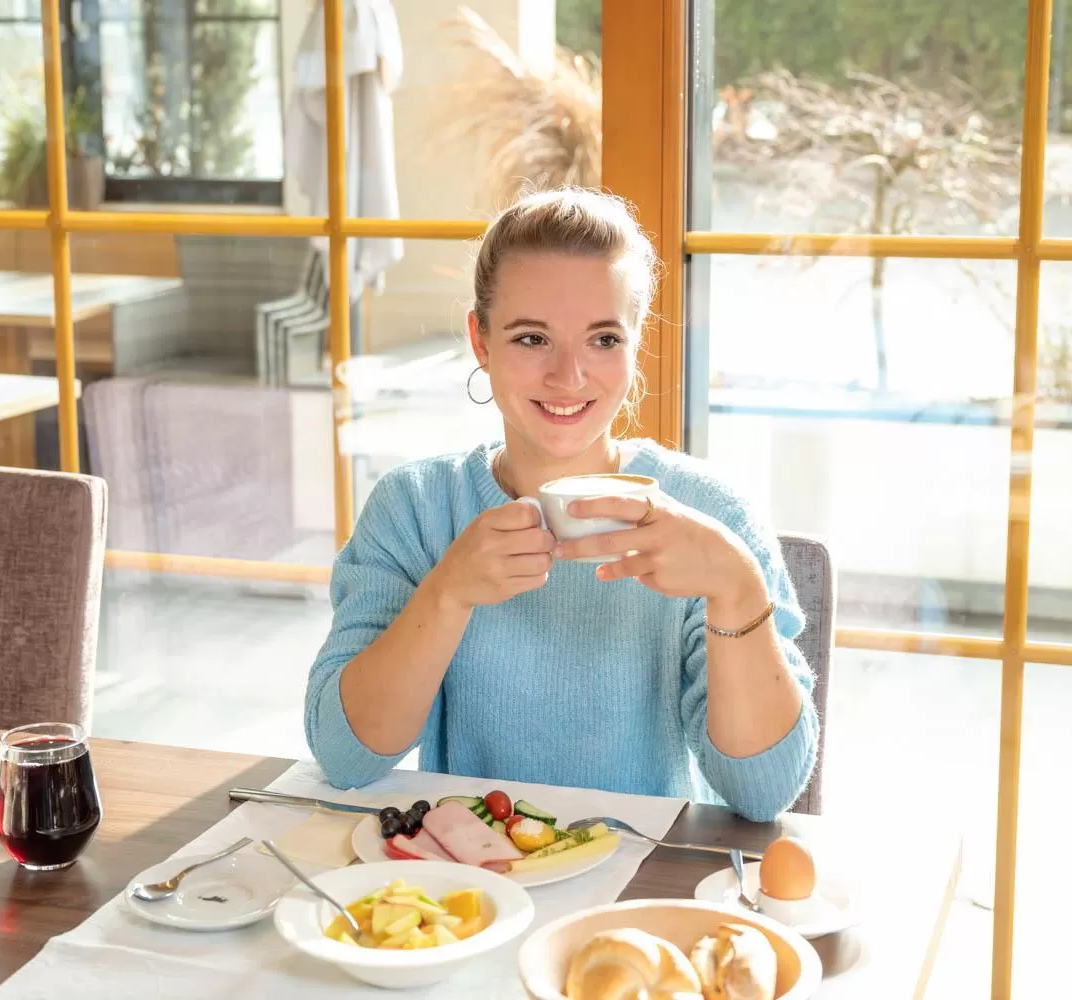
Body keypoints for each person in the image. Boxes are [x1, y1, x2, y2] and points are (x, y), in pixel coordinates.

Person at [304, 188, 817, 821]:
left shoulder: (713, 512)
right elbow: (345, 757)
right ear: (481, 341)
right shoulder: (415, 508)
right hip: (472, 890)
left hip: (643, 889)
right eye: (531, 339)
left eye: (603, 339)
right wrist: (447, 594)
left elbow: (765, 794)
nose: (569, 376)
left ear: (634, 345)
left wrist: (736, 588)